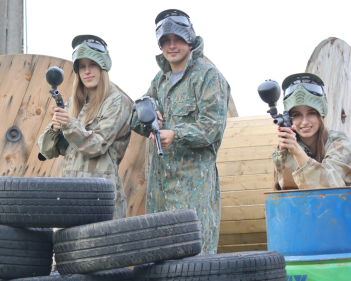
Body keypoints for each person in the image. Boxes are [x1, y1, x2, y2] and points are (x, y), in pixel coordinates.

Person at [131, 9, 231, 255]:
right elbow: (135, 119)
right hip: (160, 189)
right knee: (161, 259)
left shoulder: (208, 77)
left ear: (190, 40)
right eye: (165, 41)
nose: (171, 46)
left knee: (196, 259)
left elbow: (212, 128)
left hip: (192, 189)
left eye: (177, 39)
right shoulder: (160, 80)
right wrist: (148, 117)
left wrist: (176, 134)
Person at [38, 35, 133, 219]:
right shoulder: (73, 103)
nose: (87, 71)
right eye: (82, 66)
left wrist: (68, 124)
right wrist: (55, 129)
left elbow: (97, 145)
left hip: (101, 199)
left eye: (93, 65)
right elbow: (46, 151)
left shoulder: (117, 102)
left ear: (103, 67)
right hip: (69, 196)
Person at [273, 73, 351, 190]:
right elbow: (289, 192)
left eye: (311, 113)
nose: (304, 122)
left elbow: (331, 186)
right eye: (297, 115)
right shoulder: (288, 147)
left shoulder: (340, 143)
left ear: (320, 115)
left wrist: (297, 152)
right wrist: (285, 154)